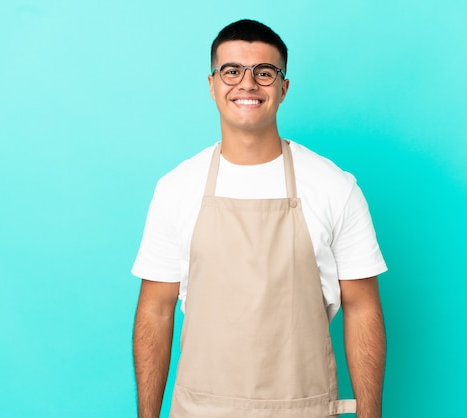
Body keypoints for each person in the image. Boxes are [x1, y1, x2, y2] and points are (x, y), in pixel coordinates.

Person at [132, 19, 387, 418]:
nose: (247, 84)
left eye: (264, 73)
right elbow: (155, 310)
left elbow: (362, 308)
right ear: (212, 84)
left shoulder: (334, 186)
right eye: (231, 71)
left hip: (302, 408)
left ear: (283, 88)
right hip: (201, 410)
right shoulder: (176, 188)